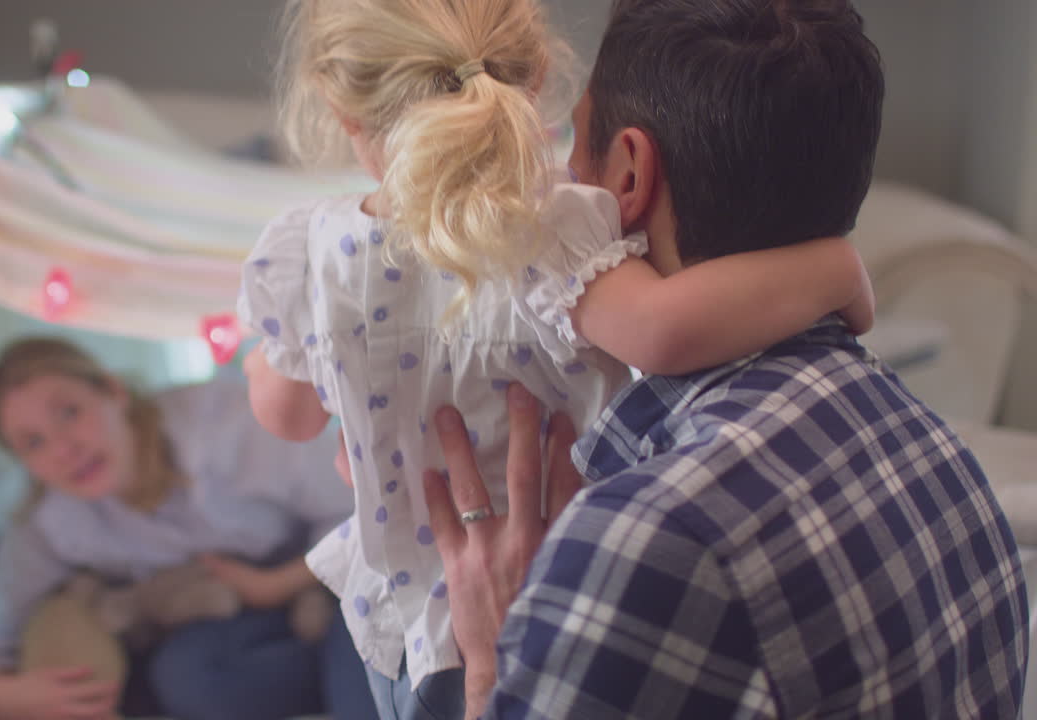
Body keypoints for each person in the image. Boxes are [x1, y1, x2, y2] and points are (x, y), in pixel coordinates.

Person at [237, 1, 876, 718]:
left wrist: (292, 364)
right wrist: (837, 268)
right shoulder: (553, 231)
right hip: (558, 603)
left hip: (401, 631)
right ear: (537, 75)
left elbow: (286, 415)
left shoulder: (312, 254)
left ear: (341, 107)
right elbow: (665, 331)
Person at [423, 1, 1030, 718]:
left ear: (628, 176)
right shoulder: (941, 456)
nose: (565, 171)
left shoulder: (651, 544)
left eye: (579, 143)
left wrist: (492, 658)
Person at [0, 337, 380, 720]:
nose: (63, 449)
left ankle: (352, 673)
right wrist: (1, 695)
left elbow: (364, 514)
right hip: (232, 613)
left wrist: (275, 585)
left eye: (69, 413)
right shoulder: (49, 523)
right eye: (33, 443)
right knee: (187, 676)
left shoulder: (220, 424)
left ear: (113, 391)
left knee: (370, 657)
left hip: (330, 573)